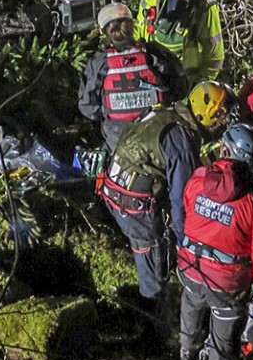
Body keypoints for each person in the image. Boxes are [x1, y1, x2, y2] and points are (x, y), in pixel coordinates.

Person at [99, 80, 236, 302]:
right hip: (133, 206)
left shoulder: (166, 113)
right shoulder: (181, 139)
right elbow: (182, 200)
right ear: (208, 113)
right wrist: (186, 245)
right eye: (222, 115)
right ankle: (152, 313)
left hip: (114, 187)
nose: (224, 122)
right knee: (154, 268)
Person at [178, 122, 253, 360]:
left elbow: (187, 210)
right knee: (223, 348)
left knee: (190, 314)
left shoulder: (197, 179)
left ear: (224, 149)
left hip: (190, 269)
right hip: (227, 284)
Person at [77, 2, 188, 153]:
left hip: (119, 140)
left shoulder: (99, 62)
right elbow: (180, 88)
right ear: (131, 25)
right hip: (160, 134)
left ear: (104, 31)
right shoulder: (154, 53)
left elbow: (88, 108)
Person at [135, 0, 225, 87]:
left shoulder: (205, 6)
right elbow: (141, 24)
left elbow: (214, 55)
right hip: (152, 76)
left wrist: (200, 84)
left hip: (186, 83)